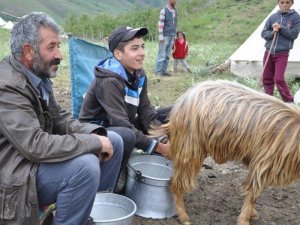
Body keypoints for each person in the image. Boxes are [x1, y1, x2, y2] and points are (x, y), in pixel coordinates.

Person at [0, 12, 124, 225]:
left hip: (28, 162)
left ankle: (85, 212)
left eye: (59, 45)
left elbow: (60, 120)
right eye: (51, 47)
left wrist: (96, 134)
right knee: (85, 168)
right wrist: (92, 143)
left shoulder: (34, 75)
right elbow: (35, 145)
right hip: (14, 175)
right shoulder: (8, 86)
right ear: (28, 51)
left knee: (115, 141)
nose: (60, 54)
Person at [79, 26, 170, 169]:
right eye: (134, 48)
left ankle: (158, 165)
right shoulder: (108, 81)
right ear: (118, 54)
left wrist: (162, 136)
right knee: (127, 135)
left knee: (171, 114)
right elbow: (120, 123)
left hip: (122, 123)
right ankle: (118, 174)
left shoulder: (139, 74)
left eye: (142, 47)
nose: (142, 53)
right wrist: (156, 146)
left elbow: (146, 110)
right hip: (99, 131)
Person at [261, 0, 300, 102]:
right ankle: (268, 100)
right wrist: (273, 32)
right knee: (266, 78)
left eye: (287, 2)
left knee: (279, 79)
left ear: (292, 3)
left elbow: (293, 34)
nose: (284, 5)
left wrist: (281, 28)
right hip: (268, 52)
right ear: (278, 3)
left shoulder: (296, 17)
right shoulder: (273, 17)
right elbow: (264, 33)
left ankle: (289, 101)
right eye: (282, 2)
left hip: (282, 53)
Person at [155, 0, 177, 76]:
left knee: (167, 55)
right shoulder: (164, 10)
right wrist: (161, 36)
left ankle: (163, 72)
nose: (175, 1)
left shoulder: (175, 10)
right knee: (162, 55)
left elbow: (174, 24)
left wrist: (175, 35)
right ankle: (158, 73)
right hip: (165, 36)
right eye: (174, 0)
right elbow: (160, 23)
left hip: (172, 35)